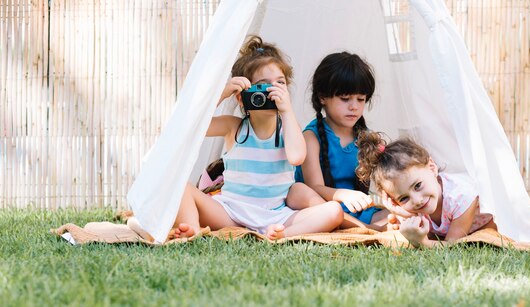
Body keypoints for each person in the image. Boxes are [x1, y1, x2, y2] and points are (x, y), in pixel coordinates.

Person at [172, 36, 343, 240]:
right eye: (263, 86)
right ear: (242, 96)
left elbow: (297, 158)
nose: (272, 92)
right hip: (231, 213)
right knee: (179, 185)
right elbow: (192, 126)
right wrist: (223, 92)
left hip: (276, 216)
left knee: (334, 211)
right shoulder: (233, 126)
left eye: (279, 84)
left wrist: (287, 110)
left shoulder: (289, 127)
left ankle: (282, 235)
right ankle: (193, 232)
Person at [293, 52, 389, 231]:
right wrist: (342, 195)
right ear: (323, 97)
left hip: (359, 212)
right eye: (345, 99)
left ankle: (363, 227)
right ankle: (366, 229)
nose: (354, 106)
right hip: (321, 207)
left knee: (400, 213)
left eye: (360, 99)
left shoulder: (366, 137)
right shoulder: (311, 137)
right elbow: (314, 187)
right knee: (304, 195)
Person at [356, 131, 497, 248]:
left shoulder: (462, 196)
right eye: (403, 198)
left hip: (483, 226)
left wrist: (421, 242)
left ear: (431, 168)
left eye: (417, 185)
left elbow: (453, 247)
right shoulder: (413, 205)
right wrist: (401, 213)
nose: (417, 200)